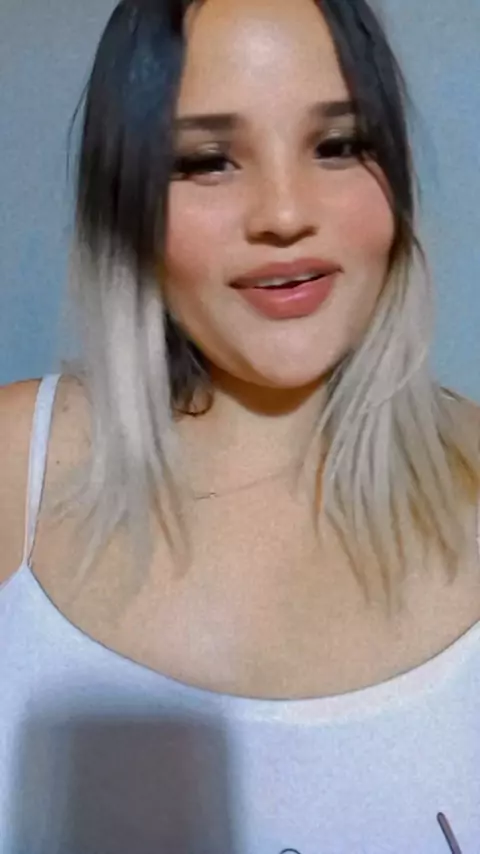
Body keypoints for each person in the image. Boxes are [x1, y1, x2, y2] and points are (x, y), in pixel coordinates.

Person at [1, 0, 480, 850]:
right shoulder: (15, 474)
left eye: (338, 145)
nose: (285, 214)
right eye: (207, 161)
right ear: (125, 203)